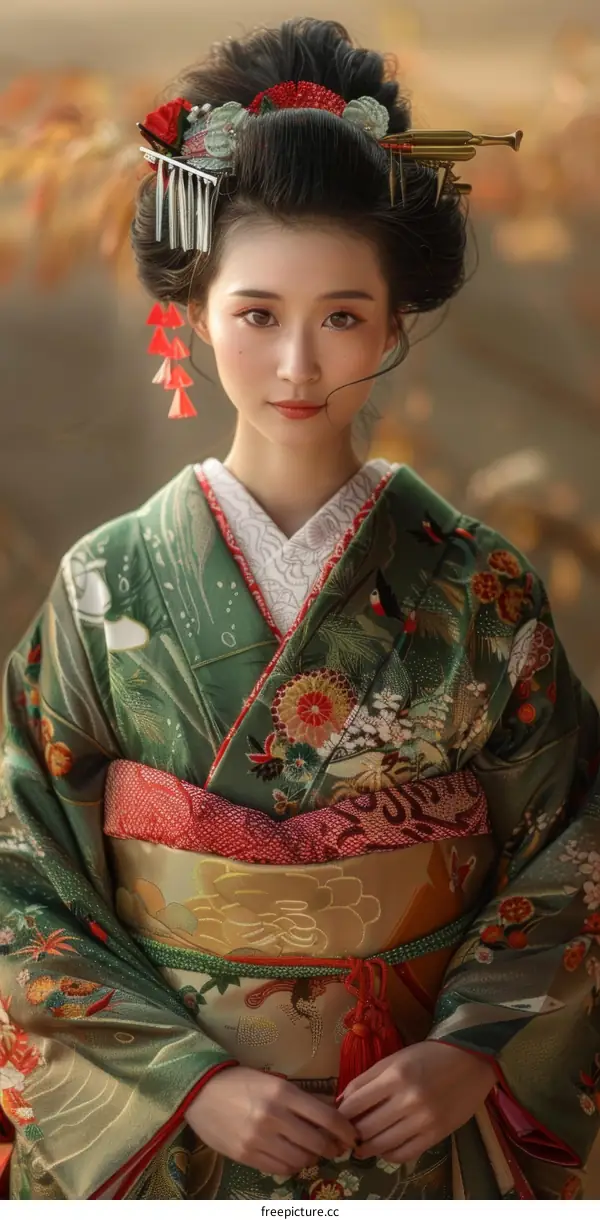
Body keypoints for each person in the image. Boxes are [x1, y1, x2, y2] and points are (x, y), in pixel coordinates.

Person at [1, 17, 599, 1202]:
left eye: (340, 315)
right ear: (195, 308)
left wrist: (470, 1049)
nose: (296, 365)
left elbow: (572, 837)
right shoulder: (105, 584)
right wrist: (191, 1078)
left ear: (392, 321)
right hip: (184, 1132)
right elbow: (21, 864)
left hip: (415, 1127)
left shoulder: (481, 588)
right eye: (258, 312)